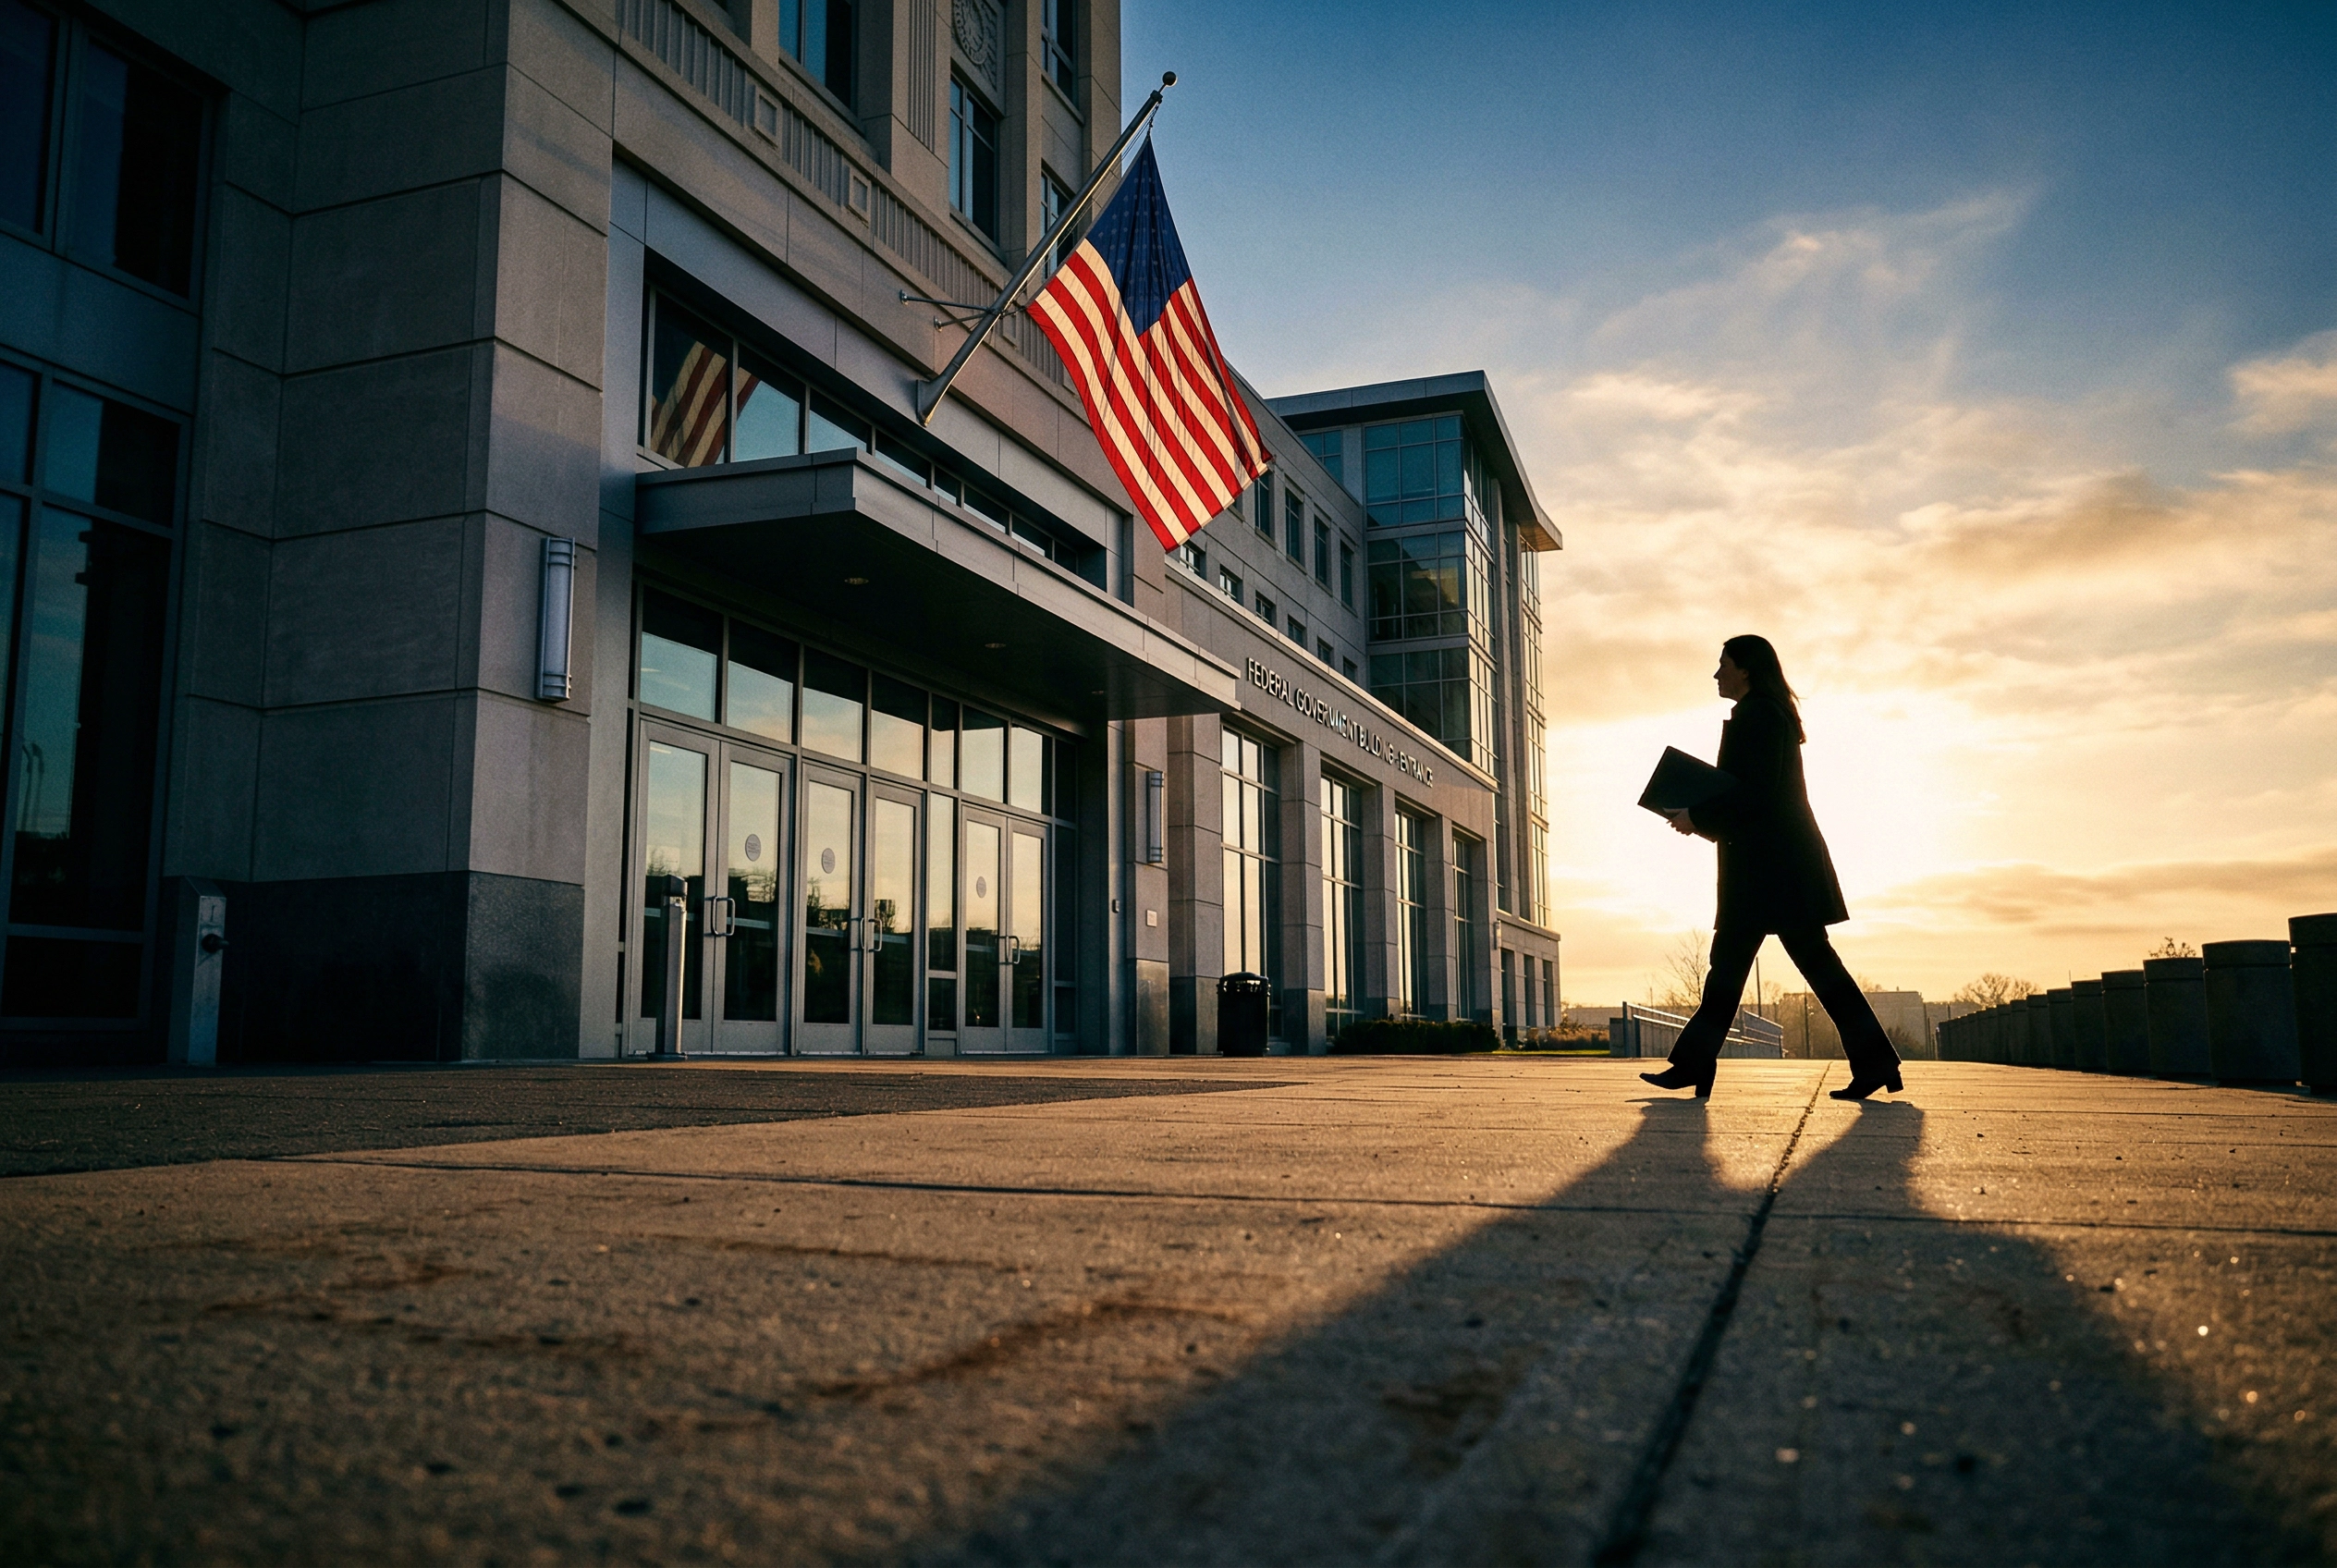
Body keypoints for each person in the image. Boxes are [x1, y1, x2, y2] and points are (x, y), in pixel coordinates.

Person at [1641, 636, 1903, 1101]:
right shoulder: (1767, 713)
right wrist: (1700, 817)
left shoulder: (1758, 716)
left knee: (1740, 971)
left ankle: (1694, 1065)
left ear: (1746, 670)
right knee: (1787, 970)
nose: (1716, 674)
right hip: (1779, 868)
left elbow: (1755, 793)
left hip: (1768, 873)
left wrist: (1697, 816)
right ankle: (1875, 1063)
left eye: (1723, 664)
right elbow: (1755, 793)